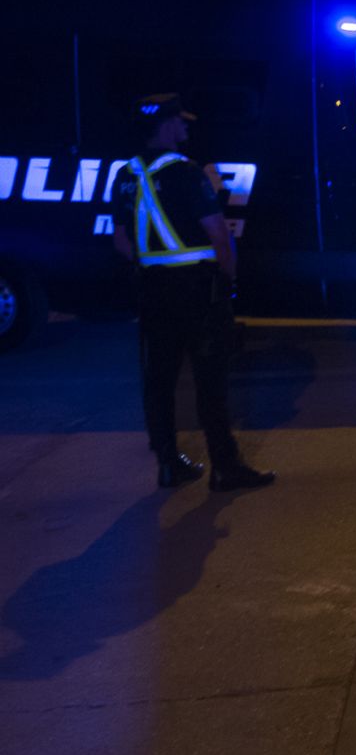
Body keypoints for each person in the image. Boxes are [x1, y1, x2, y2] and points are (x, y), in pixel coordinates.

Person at [109, 94, 274, 492]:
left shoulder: (126, 175)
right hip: (197, 291)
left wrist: (153, 266)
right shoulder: (186, 172)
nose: (185, 126)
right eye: (180, 121)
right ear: (166, 125)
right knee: (210, 381)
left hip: (153, 291)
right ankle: (224, 467)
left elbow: (121, 241)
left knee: (159, 381)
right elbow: (218, 234)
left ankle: (168, 464)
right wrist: (227, 281)